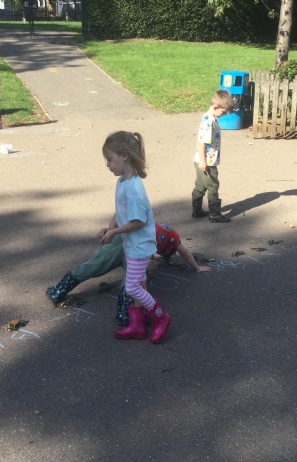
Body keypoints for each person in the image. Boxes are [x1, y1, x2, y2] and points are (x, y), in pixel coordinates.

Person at [45, 223, 212, 324]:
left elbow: (125, 219)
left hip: (123, 239)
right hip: (134, 248)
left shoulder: (159, 230)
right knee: (133, 280)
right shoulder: (173, 238)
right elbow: (185, 252)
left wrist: (110, 229)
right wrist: (197, 268)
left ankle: (59, 292)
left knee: (92, 266)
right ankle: (124, 313)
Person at [98, 131, 172, 344]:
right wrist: (109, 228)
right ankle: (138, 326)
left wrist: (114, 232)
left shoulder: (134, 188)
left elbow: (139, 221)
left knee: (132, 287)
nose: (107, 164)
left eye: (110, 159)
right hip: (132, 244)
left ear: (124, 156)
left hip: (140, 246)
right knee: (140, 283)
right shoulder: (123, 181)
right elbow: (120, 210)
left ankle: (161, 317)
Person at [191, 89, 233, 222]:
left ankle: (197, 211)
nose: (223, 114)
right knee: (213, 186)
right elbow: (201, 143)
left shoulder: (211, 118)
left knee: (200, 186)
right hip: (207, 162)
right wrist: (203, 161)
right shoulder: (208, 122)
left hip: (204, 160)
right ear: (215, 107)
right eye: (223, 112)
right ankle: (214, 214)